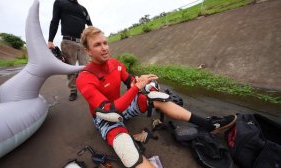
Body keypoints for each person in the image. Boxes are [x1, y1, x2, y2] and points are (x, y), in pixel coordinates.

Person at [76, 26, 237, 168]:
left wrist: (139, 81)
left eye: (105, 42)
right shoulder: (84, 78)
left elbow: (130, 82)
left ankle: (209, 125)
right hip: (106, 118)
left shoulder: (115, 64)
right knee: (128, 151)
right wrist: (137, 87)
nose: (104, 48)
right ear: (88, 51)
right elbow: (110, 110)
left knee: (155, 97)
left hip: (122, 108)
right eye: (97, 45)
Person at [48, 0, 92, 101]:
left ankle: (88, 87)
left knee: (86, 68)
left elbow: (90, 27)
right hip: (68, 42)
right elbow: (54, 21)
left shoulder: (83, 9)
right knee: (70, 68)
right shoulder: (59, 2)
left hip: (82, 43)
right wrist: (50, 40)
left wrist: (92, 41)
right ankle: (73, 90)